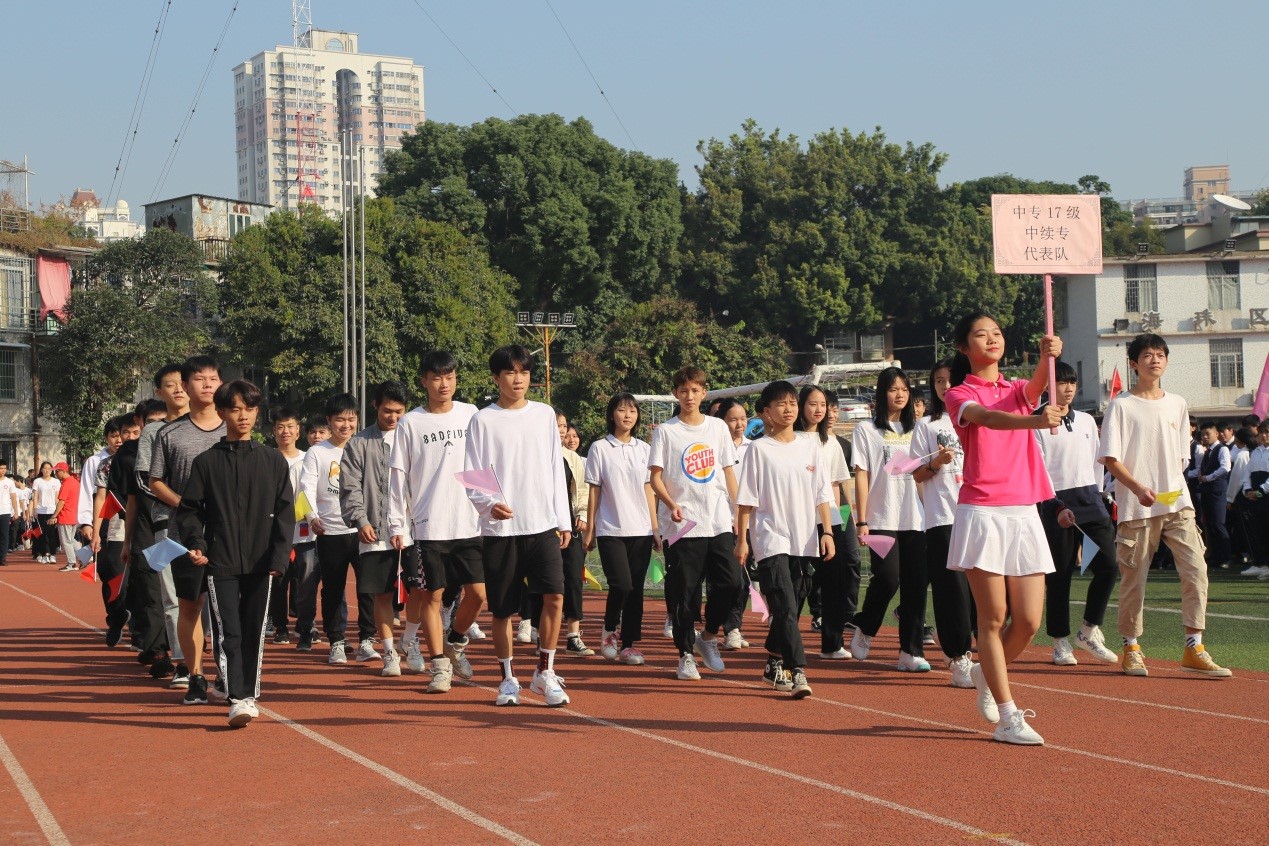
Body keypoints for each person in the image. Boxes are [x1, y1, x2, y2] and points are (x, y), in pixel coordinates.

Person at [942, 311, 1065, 745]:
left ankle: (982, 672)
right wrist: (1035, 421)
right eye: (981, 334)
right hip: (982, 511)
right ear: (963, 347)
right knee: (992, 618)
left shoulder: (1015, 389)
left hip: (1023, 510)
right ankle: (1008, 716)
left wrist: (1047, 357)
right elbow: (989, 419)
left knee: (1029, 621)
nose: (991, 339)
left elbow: (1033, 390)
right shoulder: (958, 394)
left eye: (996, 333)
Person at [1099, 333, 1233, 679]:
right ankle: (1131, 646)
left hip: (1177, 503)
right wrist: (1137, 487)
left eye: (1160, 354)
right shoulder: (1121, 405)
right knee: (1135, 580)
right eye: (1146, 355)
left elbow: (1180, 458)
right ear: (1133, 363)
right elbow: (1111, 460)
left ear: (1167, 361)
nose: (1154, 360)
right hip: (1137, 507)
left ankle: (1194, 645)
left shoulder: (1177, 403)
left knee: (1196, 569)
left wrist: (1172, 489)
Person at [176, 380, 294, 728]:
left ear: (258, 413)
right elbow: (189, 511)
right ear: (223, 412)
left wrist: (278, 558)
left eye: (250, 408)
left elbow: (286, 512)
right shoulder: (206, 462)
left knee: (254, 629)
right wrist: (197, 543)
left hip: (261, 562)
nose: (243, 416)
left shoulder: (272, 461)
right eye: (236, 408)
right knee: (229, 630)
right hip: (221, 560)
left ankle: (248, 692)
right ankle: (238, 698)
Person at [464, 345, 572, 706]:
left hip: (541, 524)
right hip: (501, 531)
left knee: (555, 596)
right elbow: (474, 472)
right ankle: (508, 679)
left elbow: (556, 468)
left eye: (524, 372)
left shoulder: (544, 415)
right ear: (497, 378)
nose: (518, 379)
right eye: (510, 373)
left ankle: (545, 672)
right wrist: (488, 506)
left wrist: (563, 518)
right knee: (502, 610)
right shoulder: (482, 419)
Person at [390, 351, 489, 693]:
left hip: (469, 522)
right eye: (436, 378)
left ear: (456, 379)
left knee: (477, 594)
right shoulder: (411, 423)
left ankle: (456, 641)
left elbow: (481, 466)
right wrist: (397, 524)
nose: (443, 384)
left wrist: (490, 509)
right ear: (424, 381)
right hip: (429, 524)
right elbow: (398, 476)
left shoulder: (471, 414)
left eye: (449, 377)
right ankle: (440, 665)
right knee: (433, 596)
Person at [736, 380, 835, 699]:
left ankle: (773, 660)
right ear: (766, 412)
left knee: (788, 607)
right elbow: (747, 500)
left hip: (804, 540)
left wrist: (828, 531)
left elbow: (823, 493)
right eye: (781, 404)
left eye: (793, 402)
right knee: (787, 607)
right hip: (770, 539)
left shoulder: (811, 446)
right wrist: (743, 540)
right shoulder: (758, 450)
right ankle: (798, 670)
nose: (789, 408)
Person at [649, 365, 742, 681]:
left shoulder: (717, 428)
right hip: (683, 525)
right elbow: (656, 478)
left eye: (695, 390)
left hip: (717, 521)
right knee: (685, 594)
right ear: (676, 393)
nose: (689, 396)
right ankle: (685, 654)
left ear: (704, 393)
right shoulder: (666, 431)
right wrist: (672, 504)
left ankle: (709, 637)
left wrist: (739, 512)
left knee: (732, 583)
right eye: (683, 390)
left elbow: (728, 471)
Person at [149, 355, 226, 701]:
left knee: (228, 610)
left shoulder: (233, 427)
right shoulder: (169, 433)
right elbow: (156, 482)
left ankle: (229, 673)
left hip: (228, 535)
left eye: (213, 378)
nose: (207, 384)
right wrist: (189, 506)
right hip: (184, 538)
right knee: (190, 606)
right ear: (185, 385)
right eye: (199, 379)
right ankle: (195, 675)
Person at [1034, 361, 1120, 668]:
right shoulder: (1036, 422)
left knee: (1109, 566)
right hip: (1054, 503)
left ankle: (1088, 630)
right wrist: (1054, 504)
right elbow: (1037, 469)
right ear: (1048, 385)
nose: (1068, 388)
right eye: (1062, 382)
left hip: (1090, 499)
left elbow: (1098, 461)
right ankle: (1060, 641)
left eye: (1072, 383)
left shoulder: (1085, 420)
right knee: (1059, 575)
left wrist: (1098, 495)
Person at [849, 367, 928, 672]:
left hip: (915, 519)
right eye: (893, 389)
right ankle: (866, 627)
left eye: (905, 390)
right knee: (888, 578)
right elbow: (862, 475)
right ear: (882, 394)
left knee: (915, 585)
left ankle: (910, 651)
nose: (900, 395)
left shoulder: (919, 430)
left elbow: (923, 475)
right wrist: (861, 519)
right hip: (880, 517)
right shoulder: (866, 430)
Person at [341, 381, 418, 678]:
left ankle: (409, 640)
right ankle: (389, 653)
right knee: (382, 595)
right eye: (388, 411)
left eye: (400, 412)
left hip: (414, 529)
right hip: (374, 530)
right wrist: (361, 520)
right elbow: (350, 487)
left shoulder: (412, 439)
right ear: (375, 406)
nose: (394, 417)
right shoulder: (359, 443)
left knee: (422, 591)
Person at [909, 360, 977, 688]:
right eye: (938, 381)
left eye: (949, 380)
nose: (944, 386)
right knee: (952, 590)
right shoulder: (926, 425)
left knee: (980, 589)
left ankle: (976, 646)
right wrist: (936, 461)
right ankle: (959, 655)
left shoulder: (976, 417)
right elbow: (917, 474)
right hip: (942, 517)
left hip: (978, 511)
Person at [583, 393, 657, 665]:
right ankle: (609, 629)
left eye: (633, 411)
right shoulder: (600, 448)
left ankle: (628, 644)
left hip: (641, 529)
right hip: (610, 528)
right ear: (611, 414)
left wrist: (656, 527)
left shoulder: (645, 450)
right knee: (621, 585)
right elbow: (594, 489)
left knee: (635, 589)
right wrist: (590, 528)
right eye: (622, 410)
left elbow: (650, 489)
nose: (628, 415)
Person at [301, 393, 374, 665]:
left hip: (363, 530)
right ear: (329, 421)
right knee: (333, 589)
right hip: (330, 531)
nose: (346, 424)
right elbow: (305, 487)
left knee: (369, 587)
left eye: (351, 419)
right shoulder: (317, 452)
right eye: (340, 419)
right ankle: (337, 642)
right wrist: (312, 516)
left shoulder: (365, 446)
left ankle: (367, 639)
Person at [130, 363, 191, 681]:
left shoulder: (213, 426)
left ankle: (212, 660)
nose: (179, 389)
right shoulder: (152, 432)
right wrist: (181, 502)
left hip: (207, 526)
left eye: (183, 383)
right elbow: (142, 479)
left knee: (208, 596)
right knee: (170, 595)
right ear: (159, 392)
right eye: (171, 385)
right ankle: (182, 661)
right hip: (164, 525)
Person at [791, 385, 857, 660]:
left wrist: (843, 523)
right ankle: (785, 637)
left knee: (834, 580)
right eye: (812, 404)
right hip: (797, 517)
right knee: (797, 580)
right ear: (800, 407)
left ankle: (832, 642)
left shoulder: (831, 443)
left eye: (823, 405)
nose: (818, 410)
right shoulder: (790, 440)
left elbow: (838, 486)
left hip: (829, 518)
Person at [89, 414, 137, 645]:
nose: (123, 439)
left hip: (144, 525)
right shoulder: (106, 465)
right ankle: (116, 616)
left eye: (129, 433)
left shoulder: (152, 458)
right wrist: (96, 530)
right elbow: (100, 498)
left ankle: (141, 632)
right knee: (111, 575)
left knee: (140, 581)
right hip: (115, 526)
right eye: (118, 434)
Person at [713, 398, 752, 649]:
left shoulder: (753, 448)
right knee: (731, 577)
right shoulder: (714, 448)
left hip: (749, 521)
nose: (739, 424)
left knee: (745, 580)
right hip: (723, 521)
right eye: (733, 419)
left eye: (743, 418)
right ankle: (727, 626)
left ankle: (733, 626)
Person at [267, 407, 306, 645]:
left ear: (298, 431)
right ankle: (280, 626)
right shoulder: (268, 458)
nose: (285, 432)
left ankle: (304, 625)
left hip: (304, 528)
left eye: (290, 427)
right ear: (274, 431)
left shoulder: (307, 458)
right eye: (280, 427)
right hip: (276, 529)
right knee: (279, 579)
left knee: (304, 579)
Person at [556, 411, 594, 657]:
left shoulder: (573, 458)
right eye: (556, 425)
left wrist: (582, 514)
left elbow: (582, 489)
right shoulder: (536, 455)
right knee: (547, 582)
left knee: (573, 578)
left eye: (564, 425)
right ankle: (540, 629)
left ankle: (573, 635)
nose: (561, 430)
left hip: (570, 525)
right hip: (544, 526)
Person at [1191, 422, 1232, 570]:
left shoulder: (1222, 449)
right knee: (1209, 524)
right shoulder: (1207, 451)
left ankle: (1226, 557)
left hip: (1217, 491)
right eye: (1202, 434)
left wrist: (1208, 477)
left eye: (1208, 434)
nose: (1205, 437)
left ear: (1216, 434)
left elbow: (1225, 468)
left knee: (1218, 524)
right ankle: (1215, 555)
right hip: (1207, 491)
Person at [1240, 421, 1269, 578]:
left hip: (1265, 496)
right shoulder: (1256, 451)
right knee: (1258, 531)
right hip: (1256, 498)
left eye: (1267, 432)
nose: (1264, 435)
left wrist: (1261, 491)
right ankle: (1261, 563)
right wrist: (1247, 489)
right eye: (1262, 432)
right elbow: (1247, 472)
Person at [54, 462, 80, 571]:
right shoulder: (75, 482)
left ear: (64, 471)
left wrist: (54, 515)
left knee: (66, 541)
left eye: (57, 471)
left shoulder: (66, 483)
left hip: (66, 516)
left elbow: (61, 501)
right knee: (71, 539)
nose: (56, 474)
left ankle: (72, 563)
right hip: (74, 515)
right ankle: (86, 556)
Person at [32, 462, 59, 564]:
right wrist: (34, 509)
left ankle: (52, 554)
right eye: (45, 468)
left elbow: (57, 498)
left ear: (52, 470)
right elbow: (35, 496)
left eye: (49, 468)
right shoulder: (37, 481)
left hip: (52, 511)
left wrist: (57, 512)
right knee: (42, 534)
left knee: (52, 533)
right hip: (41, 510)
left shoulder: (56, 482)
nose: (47, 470)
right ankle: (44, 554)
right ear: (41, 470)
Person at [0, 460, 20, 567]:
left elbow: (13, 497)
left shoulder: (9, 482)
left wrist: (16, 511)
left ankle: (2, 557)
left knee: (4, 535)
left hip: (5, 512)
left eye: (4, 468)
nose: (2, 470)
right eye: (0, 468)